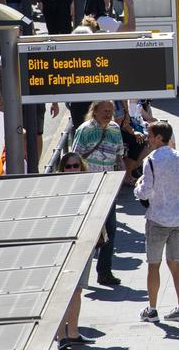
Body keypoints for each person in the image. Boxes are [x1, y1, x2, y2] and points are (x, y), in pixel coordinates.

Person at [134, 120, 179, 324]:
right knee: (175, 262)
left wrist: (137, 186)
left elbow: (146, 191)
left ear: (159, 138)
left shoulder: (150, 160)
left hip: (158, 218)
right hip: (178, 217)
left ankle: (153, 309)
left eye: (150, 136)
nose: (148, 139)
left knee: (153, 265)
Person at [70, 99, 124, 286]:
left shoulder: (115, 129)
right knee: (87, 232)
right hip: (89, 186)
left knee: (110, 229)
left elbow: (119, 155)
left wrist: (121, 178)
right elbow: (74, 157)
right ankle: (77, 272)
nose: (108, 114)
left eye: (111, 110)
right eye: (104, 110)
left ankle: (104, 272)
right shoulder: (84, 130)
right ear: (94, 111)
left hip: (109, 186)